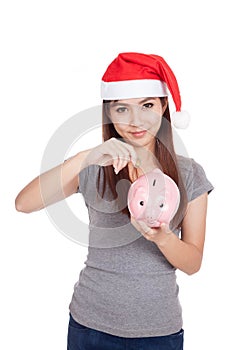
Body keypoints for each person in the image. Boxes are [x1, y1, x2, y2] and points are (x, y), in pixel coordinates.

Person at [15, 52, 214, 350]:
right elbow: (24, 203)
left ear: (163, 107)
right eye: (122, 109)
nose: (136, 121)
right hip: (90, 326)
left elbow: (193, 263)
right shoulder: (94, 167)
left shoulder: (188, 174)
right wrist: (84, 157)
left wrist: (162, 238)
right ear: (110, 113)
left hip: (158, 332)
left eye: (147, 105)